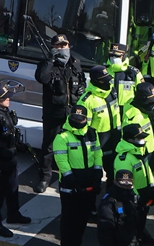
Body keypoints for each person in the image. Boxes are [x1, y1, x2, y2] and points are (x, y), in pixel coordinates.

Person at [34, 33, 85, 193]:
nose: (62, 49)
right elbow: (41, 78)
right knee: (49, 146)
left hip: (72, 111)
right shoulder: (47, 64)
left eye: (64, 46)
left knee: (75, 145)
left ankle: (73, 175)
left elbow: (81, 80)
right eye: (58, 46)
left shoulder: (75, 63)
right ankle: (44, 178)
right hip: (54, 112)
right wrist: (50, 60)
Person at [0, 85, 30, 235]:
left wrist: (18, 145)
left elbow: (10, 134)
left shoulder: (5, 112)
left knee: (13, 189)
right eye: (4, 98)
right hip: (0, 164)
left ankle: (13, 214)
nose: (8, 99)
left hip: (10, 160)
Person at [53, 105, 103, 246]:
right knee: (69, 219)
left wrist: (97, 175)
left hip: (88, 182)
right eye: (75, 118)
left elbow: (97, 154)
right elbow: (61, 161)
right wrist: (72, 181)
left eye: (81, 118)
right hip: (71, 185)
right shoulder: (62, 136)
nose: (78, 120)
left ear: (86, 119)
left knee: (83, 217)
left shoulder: (93, 133)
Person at [79, 64, 122, 173]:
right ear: (96, 81)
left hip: (114, 134)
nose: (108, 83)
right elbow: (83, 127)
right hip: (99, 138)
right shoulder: (87, 100)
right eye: (104, 80)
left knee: (114, 168)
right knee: (96, 169)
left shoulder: (111, 91)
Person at [96, 170, 143, 246]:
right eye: (123, 184)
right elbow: (105, 232)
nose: (126, 187)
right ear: (115, 182)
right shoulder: (108, 202)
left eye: (128, 184)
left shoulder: (132, 199)